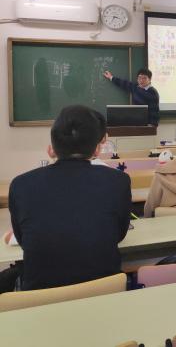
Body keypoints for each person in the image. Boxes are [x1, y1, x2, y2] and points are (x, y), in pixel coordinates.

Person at [9, 105, 131, 290]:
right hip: (104, 294)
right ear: (97, 150)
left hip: (41, 300)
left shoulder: (21, 185)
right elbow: (119, 234)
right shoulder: (118, 181)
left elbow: (23, 240)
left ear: (52, 148)